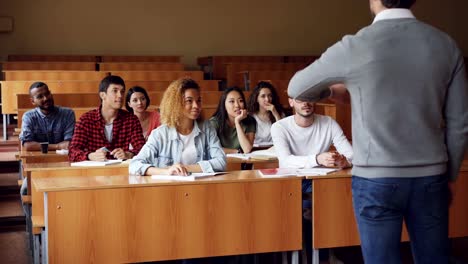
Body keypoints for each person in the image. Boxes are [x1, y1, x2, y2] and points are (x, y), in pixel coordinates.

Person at [287, 0, 468, 263]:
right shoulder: (445, 44)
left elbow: (297, 87)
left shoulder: (355, 45)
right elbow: (460, 123)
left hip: (375, 179)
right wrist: (449, 175)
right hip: (431, 176)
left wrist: (336, 91)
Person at [271, 97, 352, 263]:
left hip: (320, 182)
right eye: (300, 99)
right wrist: (316, 159)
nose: (306, 103)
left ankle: (327, 255)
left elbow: (351, 154)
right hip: (290, 182)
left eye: (309, 98)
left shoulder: (328, 123)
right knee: (313, 206)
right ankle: (317, 256)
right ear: (291, 102)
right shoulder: (279, 127)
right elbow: (285, 161)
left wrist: (345, 161)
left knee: (342, 198)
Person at [129, 78, 226, 176]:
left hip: (200, 187)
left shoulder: (207, 128)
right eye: (189, 101)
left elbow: (221, 162)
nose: (196, 105)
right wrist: (166, 171)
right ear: (175, 103)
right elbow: (135, 165)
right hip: (170, 189)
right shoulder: (160, 134)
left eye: (198, 100)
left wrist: (185, 168)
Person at [69, 75, 145, 162]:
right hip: (94, 172)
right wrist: (90, 156)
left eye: (122, 91)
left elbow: (143, 149)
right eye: (115, 91)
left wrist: (129, 154)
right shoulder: (86, 120)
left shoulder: (131, 120)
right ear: (102, 95)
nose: (120, 95)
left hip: (121, 170)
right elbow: (72, 151)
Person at [19, 81, 75, 194]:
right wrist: (58, 146)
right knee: (25, 190)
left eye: (47, 94)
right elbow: (28, 145)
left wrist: (43, 147)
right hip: (37, 166)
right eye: (40, 96)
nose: (45, 98)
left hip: (64, 165)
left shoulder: (68, 114)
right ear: (33, 101)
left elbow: (68, 143)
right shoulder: (29, 117)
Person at [210, 87, 256, 154]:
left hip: (242, 162)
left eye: (240, 101)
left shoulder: (250, 121)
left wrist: (237, 122)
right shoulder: (214, 123)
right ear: (224, 105)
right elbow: (210, 149)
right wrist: (236, 152)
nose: (237, 105)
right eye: (232, 101)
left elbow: (247, 149)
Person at [247, 81, 285, 147]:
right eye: (263, 96)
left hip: (274, 149)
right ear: (257, 99)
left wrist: (275, 113)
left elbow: (283, 135)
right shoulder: (250, 116)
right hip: (255, 150)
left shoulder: (279, 114)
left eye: (269, 96)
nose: (267, 99)